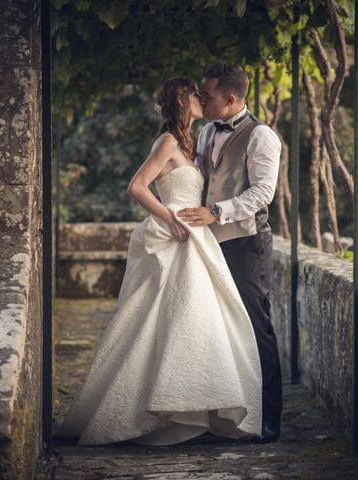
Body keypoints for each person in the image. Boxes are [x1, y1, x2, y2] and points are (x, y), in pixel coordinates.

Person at [53, 76, 262, 446]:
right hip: (175, 234)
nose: (200, 98)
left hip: (194, 238)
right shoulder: (167, 141)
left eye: (202, 94)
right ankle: (154, 407)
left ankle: (195, 403)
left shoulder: (192, 141)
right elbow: (137, 186)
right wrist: (171, 218)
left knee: (193, 318)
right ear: (181, 102)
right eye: (193, 94)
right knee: (160, 317)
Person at [177, 62, 283, 443]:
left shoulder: (262, 136)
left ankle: (268, 419)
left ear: (231, 99)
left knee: (255, 328)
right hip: (206, 244)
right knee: (216, 329)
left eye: (207, 95)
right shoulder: (206, 131)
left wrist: (217, 212)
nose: (202, 100)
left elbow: (261, 194)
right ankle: (223, 414)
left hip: (245, 243)